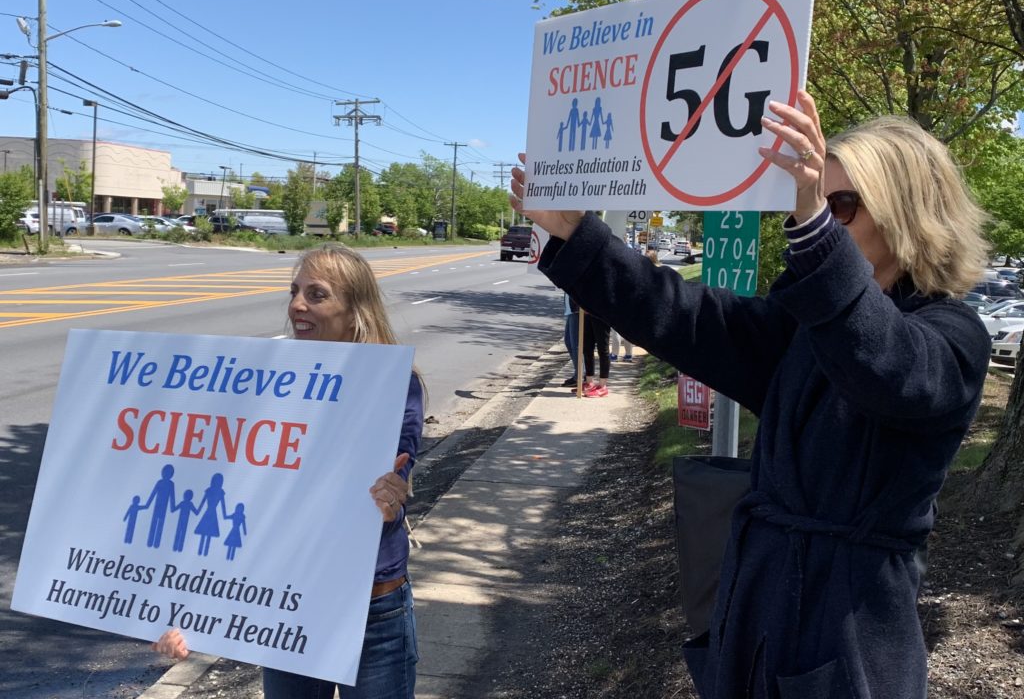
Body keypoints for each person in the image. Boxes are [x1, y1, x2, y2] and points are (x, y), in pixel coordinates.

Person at [509, 91, 991, 697]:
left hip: (849, 628)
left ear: (907, 214)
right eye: (814, 205)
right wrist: (580, 237)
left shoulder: (952, 335)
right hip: (758, 602)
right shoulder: (807, 329)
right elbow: (690, 319)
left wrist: (814, 230)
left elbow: (887, 366)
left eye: (840, 206)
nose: (821, 220)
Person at [154, 244, 424, 699]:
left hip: (371, 608)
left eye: (316, 294)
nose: (297, 305)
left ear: (355, 310)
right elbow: (233, 505)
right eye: (294, 291)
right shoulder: (263, 385)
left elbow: (396, 477)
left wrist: (388, 499)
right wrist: (189, 614)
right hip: (287, 605)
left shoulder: (392, 383)